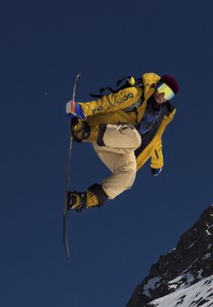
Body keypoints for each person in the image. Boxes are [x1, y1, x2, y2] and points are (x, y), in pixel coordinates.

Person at [64, 72, 179, 211]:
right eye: (162, 88)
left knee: (129, 175)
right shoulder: (137, 93)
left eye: (167, 94)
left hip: (118, 144)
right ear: (156, 85)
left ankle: (84, 200)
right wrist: (82, 109)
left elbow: (156, 140)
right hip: (104, 129)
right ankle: (85, 132)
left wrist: (157, 163)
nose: (161, 95)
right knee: (135, 139)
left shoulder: (161, 117)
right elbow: (110, 102)